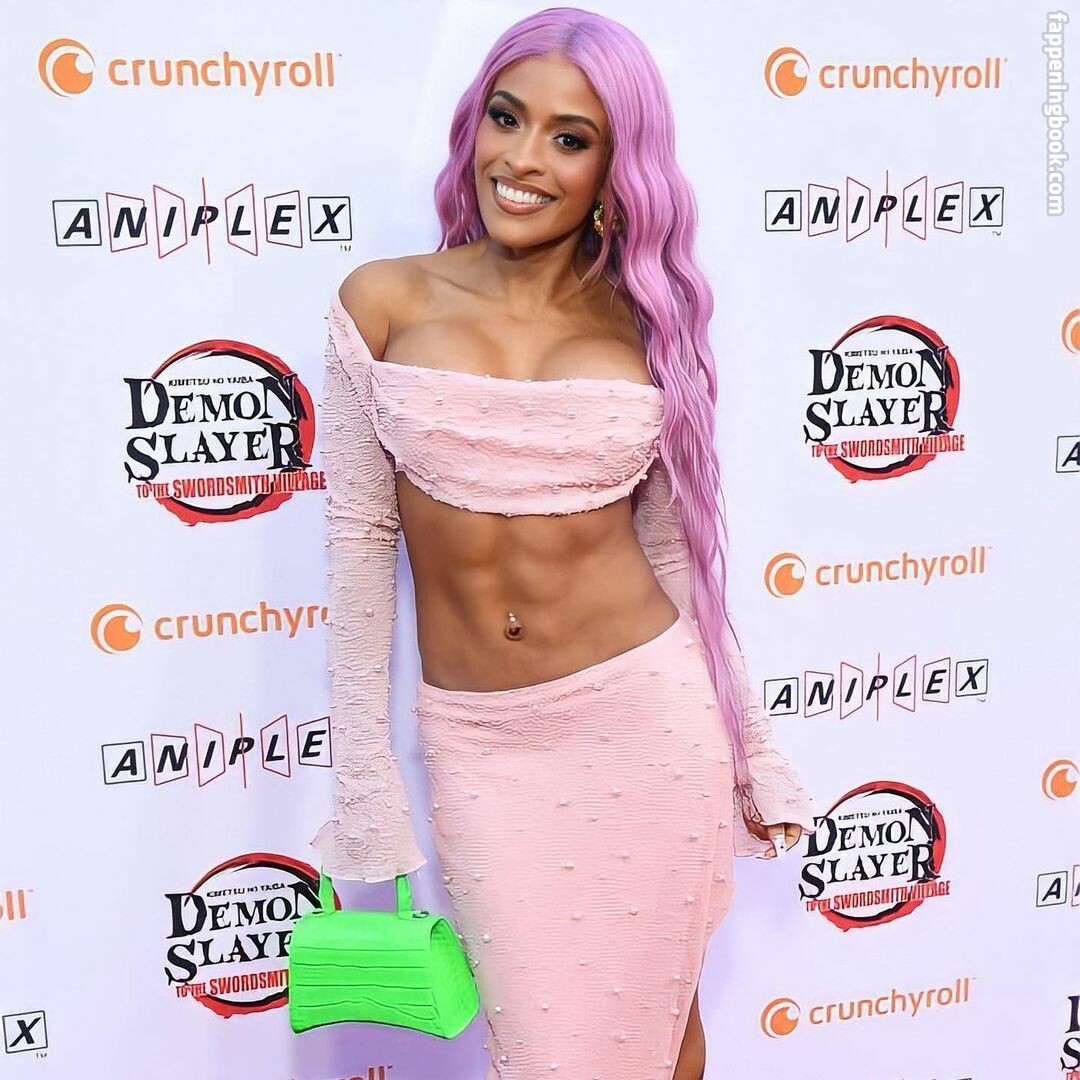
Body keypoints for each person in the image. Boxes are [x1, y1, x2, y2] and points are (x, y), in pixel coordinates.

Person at [309, 7, 814, 1079]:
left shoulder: (650, 323)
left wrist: (755, 748)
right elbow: (358, 540)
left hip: (646, 719)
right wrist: (363, 779)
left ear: (615, 171)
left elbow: (678, 556)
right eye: (507, 118)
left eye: (569, 138)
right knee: (544, 1051)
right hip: (485, 746)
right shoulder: (382, 301)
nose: (524, 159)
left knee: (660, 1029)